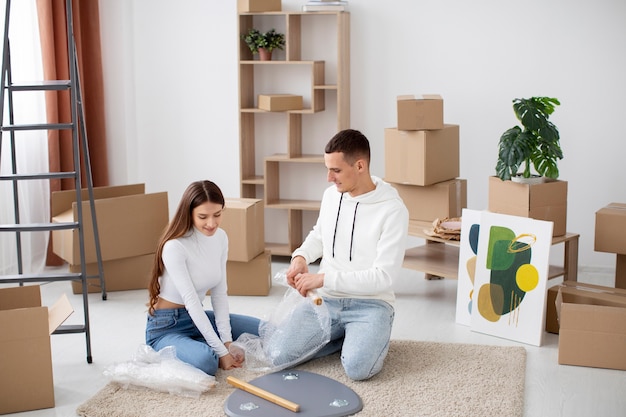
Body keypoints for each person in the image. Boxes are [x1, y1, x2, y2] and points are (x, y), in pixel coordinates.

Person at [278, 128, 409, 381]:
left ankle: (358, 338)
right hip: (325, 300)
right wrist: (301, 257)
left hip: (371, 304)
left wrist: (323, 278)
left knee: (359, 369)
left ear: (360, 166)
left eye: (336, 170)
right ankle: (345, 338)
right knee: (280, 355)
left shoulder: (393, 210)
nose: (329, 178)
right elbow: (319, 234)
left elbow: (383, 278)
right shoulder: (332, 196)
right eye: (328, 169)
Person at [145, 180, 260, 376]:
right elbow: (191, 302)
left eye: (217, 215)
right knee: (207, 362)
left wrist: (227, 341)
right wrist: (221, 352)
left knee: (266, 330)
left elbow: (219, 293)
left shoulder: (221, 238)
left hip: (197, 317)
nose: (211, 223)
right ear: (189, 213)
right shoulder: (174, 246)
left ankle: (199, 343)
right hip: (167, 326)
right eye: (203, 217)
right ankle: (195, 347)